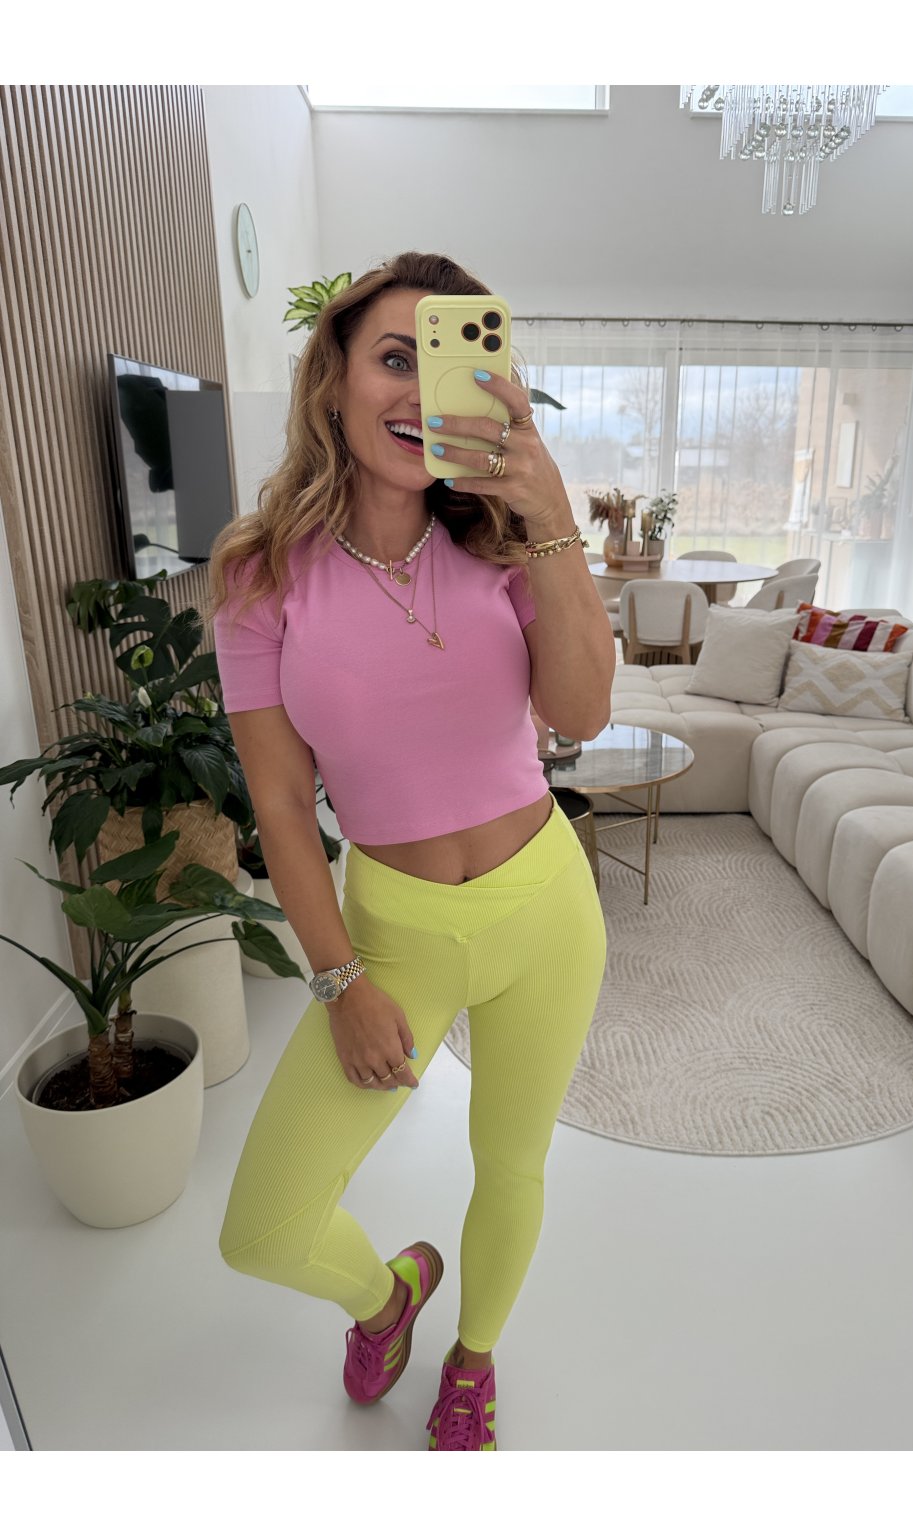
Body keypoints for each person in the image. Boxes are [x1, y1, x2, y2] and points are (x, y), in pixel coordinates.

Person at [207, 251, 615, 1451]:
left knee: (512, 1163)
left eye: (448, 368)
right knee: (263, 1227)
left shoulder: (503, 547)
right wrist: (338, 980)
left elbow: (582, 715)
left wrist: (550, 520)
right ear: (331, 380)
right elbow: (283, 804)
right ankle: (386, 1300)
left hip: (545, 911)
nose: (420, 391)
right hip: (393, 931)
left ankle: (474, 1356)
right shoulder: (260, 574)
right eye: (395, 358)